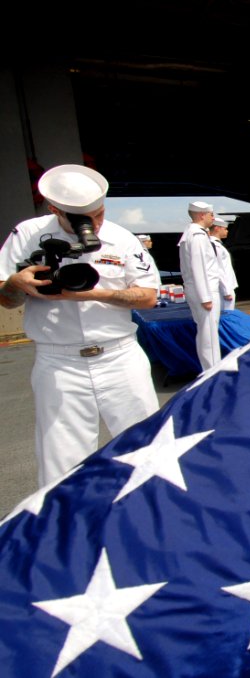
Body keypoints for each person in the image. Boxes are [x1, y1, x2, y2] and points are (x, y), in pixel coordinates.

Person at [0, 164, 160, 485]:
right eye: (84, 218)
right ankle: (68, 528)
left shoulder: (122, 239)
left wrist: (93, 294)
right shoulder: (26, 235)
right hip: (59, 363)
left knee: (147, 448)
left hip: (120, 358)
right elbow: (6, 299)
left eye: (100, 213)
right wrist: (17, 282)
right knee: (61, 461)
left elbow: (148, 296)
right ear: (54, 209)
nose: (95, 224)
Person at [178, 200, 222, 370]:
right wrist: (205, 297)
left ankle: (211, 368)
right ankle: (212, 371)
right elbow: (198, 267)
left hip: (201, 290)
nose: (213, 217)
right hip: (205, 291)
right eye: (211, 214)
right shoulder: (197, 236)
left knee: (207, 333)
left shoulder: (193, 233)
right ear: (202, 215)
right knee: (209, 335)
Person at [209, 216, 238, 311]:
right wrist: (226, 291)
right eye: (225, 229)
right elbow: (218, 269)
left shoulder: (217, 245)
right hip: (223, 289)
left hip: (225, 287)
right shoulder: (214, 245)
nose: (227, 231)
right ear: (217, 228)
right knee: (226, 315)